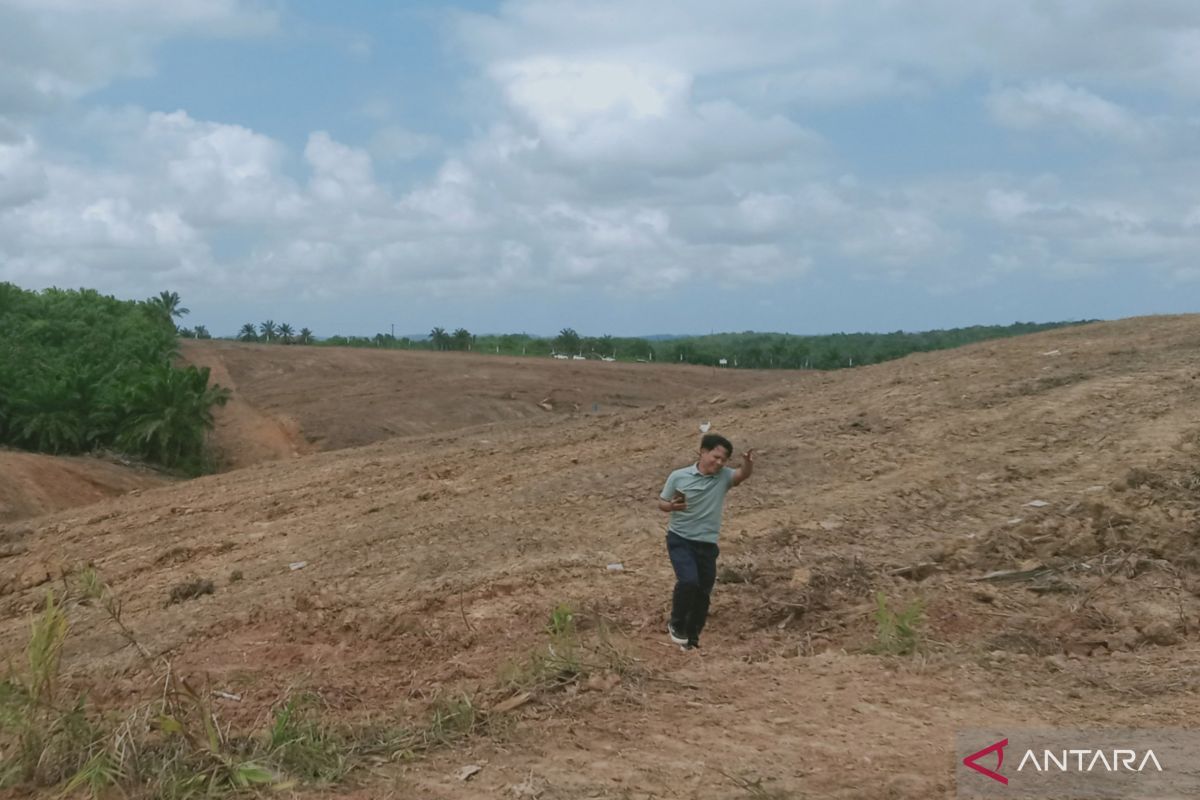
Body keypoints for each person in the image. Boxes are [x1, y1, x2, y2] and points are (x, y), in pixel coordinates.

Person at [657, 433, 754, 650]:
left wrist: (747, 464)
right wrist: (671, 506)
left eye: (723, 459)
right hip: (680, 539)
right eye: (715, 456)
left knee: (703, 593)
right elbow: (662, 502)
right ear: (702, 452)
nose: (719, 463)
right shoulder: (678, 476)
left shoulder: (724, 478)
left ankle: (691, 639)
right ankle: (676, 624)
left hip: (707, 544)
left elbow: (742, 475)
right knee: (689, 581)